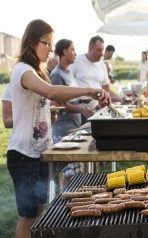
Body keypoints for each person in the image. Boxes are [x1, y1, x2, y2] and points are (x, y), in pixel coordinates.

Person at [7, 19, 110, 238]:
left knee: (39, 215)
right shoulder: (22, 70)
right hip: (23, 156)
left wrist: (51, 115)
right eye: (47, 43)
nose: (51, 49)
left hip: (41, 154)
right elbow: (51, 92)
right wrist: (90, 90)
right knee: (26, 220)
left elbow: (44, 106)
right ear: (33, 43)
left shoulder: (39, 71)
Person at [50, 39, 94, 187]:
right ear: (64, 52)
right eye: (73, 50)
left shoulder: (68, 73)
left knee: (74, 173)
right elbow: (59, 105)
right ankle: (65, 203)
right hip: (62, 131)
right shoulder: (57, 75)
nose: (75, 53)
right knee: (69, 176)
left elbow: (69, 99)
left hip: (72, 130)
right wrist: (83, 110)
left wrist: (82, 101)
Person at [69, 36, 122, 125]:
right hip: (80, 112)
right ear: (90, 48)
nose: (101, 53)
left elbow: (107, 90)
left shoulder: (102, 65)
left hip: (97, 111)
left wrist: (121, 99)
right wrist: (81, 98)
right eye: (98, 50)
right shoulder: (77, 60)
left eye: (102, 50)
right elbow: (67, 84)